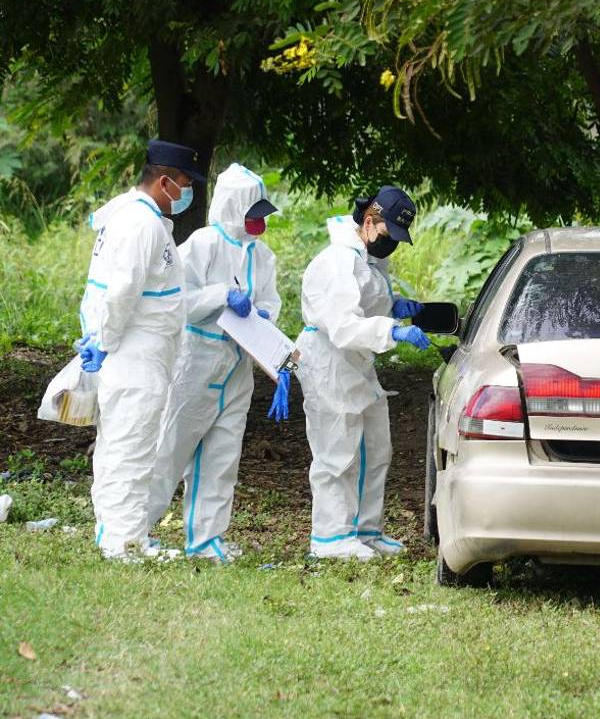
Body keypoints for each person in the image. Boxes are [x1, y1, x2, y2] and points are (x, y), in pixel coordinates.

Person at [145, 163, 282, 562]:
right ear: (233, 207)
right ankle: (135, 528)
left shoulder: (263, 255)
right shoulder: (202, 245)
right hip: (198, 362)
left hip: (238, 367)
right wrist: (222, 295)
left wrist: (263, 316)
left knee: (223, 456)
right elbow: (179, 303)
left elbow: (271, 301)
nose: (259, 220)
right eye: (252, 211)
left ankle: (206, 539)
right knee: (171, 449)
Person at [77, 139, 202, 559]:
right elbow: (121, 291)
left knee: (126, 444)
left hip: (141, 350)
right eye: (185, 183)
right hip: (134, 351)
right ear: (165, 181)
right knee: (130, 446)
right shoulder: (140, 223)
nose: (188, 192)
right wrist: (106, 342)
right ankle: (124, 541)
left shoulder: (139, 217)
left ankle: (119, 534)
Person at [296, 187, 431, 560]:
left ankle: (367, 530)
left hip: (357, 363)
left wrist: (394, 307)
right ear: (369, 222)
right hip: (330, 362)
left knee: (375, 446)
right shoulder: (337, 261)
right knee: (336, 450)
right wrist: (392, 331)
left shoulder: (367, 259)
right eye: (389, 235)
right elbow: (343, 325)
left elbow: (368, 301)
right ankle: (331, 538)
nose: (392, 246)